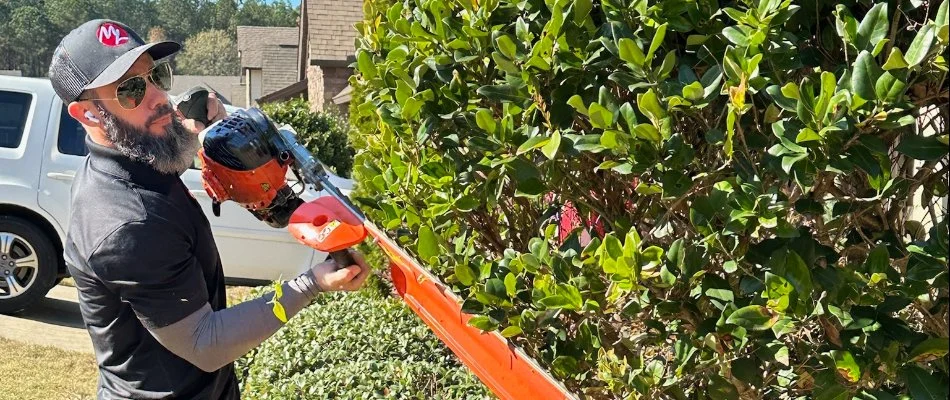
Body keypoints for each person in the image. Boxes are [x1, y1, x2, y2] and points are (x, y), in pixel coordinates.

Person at [49, 19, 371, 399]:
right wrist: (312, 283)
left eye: (157, 76)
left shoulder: (134, 154)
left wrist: (217, 133)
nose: (159, 97)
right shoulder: (127, 224)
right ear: (87, 114)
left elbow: (178, 141)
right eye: (131, 89)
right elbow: (207, 343)